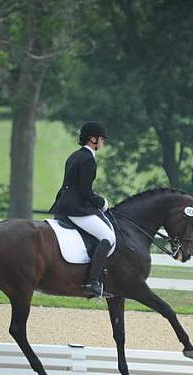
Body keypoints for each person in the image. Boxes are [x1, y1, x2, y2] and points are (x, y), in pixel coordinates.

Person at [49, 121, 116, 297]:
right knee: (107, 236)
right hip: (75, 208)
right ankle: (92, 281)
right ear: (93, 139)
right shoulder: (88, 159)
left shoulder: (74, 155)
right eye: (101, 139)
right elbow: (85, 191)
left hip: (64, 203)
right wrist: (101, 202)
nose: (103, 142)